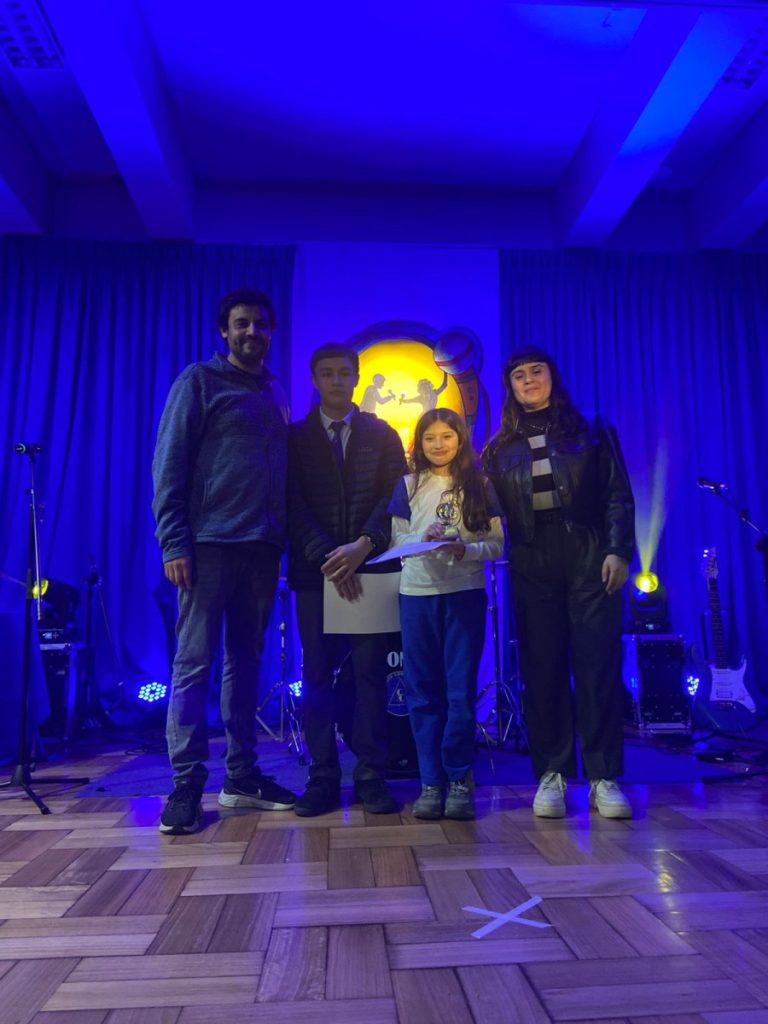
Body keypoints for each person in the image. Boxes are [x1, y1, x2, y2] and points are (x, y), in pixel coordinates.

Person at [152, 288, 297, 834]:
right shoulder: (198, 381)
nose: (252, 331)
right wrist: (174, 542)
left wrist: (280, 539)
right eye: (241, 323)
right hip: (207, 547)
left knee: (245, 663)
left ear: (270, 331)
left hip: (261, 550)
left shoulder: (275, 391)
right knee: (193, 666)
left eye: (260, 323)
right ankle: (187, 785)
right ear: (224, 331)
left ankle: (241, 777)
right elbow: (168, 464)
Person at [483, 347, 635, 819]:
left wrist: (618, 550)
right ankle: (552, 773)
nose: (529, 380)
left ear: (553, 376)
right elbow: (485, 512)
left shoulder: (592, 429)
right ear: (510, 386)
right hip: (532, 558)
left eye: (537, 371)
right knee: (542, 668)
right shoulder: (498, 448)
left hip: (589, 551)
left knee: (596, 666)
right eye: (519, 375)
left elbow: (617, 494)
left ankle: (604, 777)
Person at [287, 343, 406, 817]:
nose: (336, 381)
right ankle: (322, 777)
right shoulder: (295, 438)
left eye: (344, 373)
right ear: (315, 380)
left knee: (370, 677)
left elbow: (395, 496)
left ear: (357, 377)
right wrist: (329, 557)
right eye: (327, 373)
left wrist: (363, 546)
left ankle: (372, 775)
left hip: (371, 569)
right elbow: (290, 503)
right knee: (316, 675)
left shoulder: (382, 434)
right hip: (315, 575)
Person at [389, 409, 503, 820]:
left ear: (460, 440)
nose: (438, 445)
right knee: (422, 692)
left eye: (447, 437)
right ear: (419, 443)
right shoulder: (408, 484)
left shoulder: (480, 484)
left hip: (464, 595)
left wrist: (464, 549)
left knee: (459, 692)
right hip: (417, 595)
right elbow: (396, 540)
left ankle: (458, 779)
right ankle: (430, 782)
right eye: (430, 438)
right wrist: (423, 537)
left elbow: (496, 545)